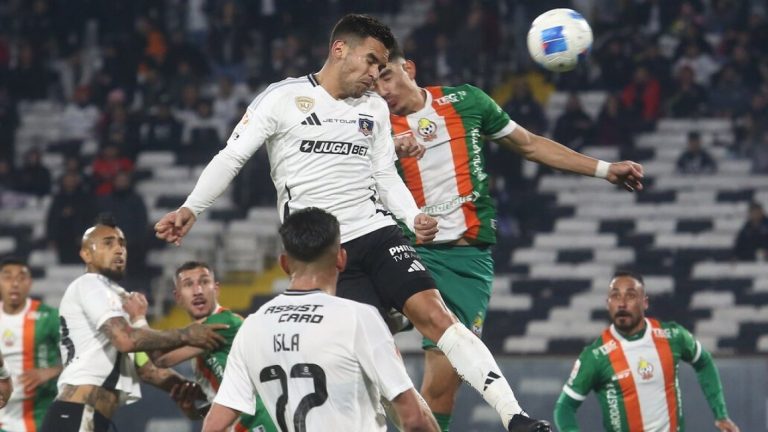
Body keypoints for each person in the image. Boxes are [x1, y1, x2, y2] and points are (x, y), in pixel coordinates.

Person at [154, 14, 552, 432]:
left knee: (439, 316)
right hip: (324, 251)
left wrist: (413, 215)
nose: (375, 75)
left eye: (382, 66)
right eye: (371, 61)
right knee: (379, 363)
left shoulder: (374, 108)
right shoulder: (282, 98)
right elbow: (232, 157)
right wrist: (191, 208)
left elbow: (383, 175)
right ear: (339, 49)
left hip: (377, 232)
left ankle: (515, 416)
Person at [373, 44, 644, 432]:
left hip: (465, 262)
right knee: (359, 329)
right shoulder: (372, 124)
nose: (382, 90)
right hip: (408, 252)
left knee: (440, 392)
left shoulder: (466, 101)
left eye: (387, 76)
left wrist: (605, 169)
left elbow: (529, 144)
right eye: (375, 82)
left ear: (409, 69)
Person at [202, 207, 438, 432]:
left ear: (284, 264)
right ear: (341, 258)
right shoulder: (358, 318)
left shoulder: (252, 327)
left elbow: (214, 426)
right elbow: (414, 420)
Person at [40, 214, 227, 432]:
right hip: (77, 413)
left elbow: (148, 370)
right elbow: (126, 339)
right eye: (108, 243)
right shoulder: (90, 284)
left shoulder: (119, 299)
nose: (119, 250)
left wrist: (197, 393)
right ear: (86, 254)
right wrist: (186, 334)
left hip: (91, 416)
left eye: (122, 244)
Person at [553, 270, 740, 432]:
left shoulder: (672, 336)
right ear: (607, 303)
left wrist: (721, 414)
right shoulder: (595, 356)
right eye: (615, 296)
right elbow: (564, 408)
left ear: (645, 302)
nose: (622, 303)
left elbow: (704, 362)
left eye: (630, 295)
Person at [147, 261, 276, 431]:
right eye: (188, 284)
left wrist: (138, 319)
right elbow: (227, 401)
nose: (198, 291)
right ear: (178, 297)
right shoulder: (200, 341)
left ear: (216, 289)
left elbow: (161, 358)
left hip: (258, 423)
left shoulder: (224, 323)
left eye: (204, 281)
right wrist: (193, 412)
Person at [0, 257, 61, 431]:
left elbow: (80, 355)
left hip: (39, 415)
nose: (15, 284)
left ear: (30, 283)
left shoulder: (49, 316)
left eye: (21, 278)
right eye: (8, 277)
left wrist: (51, 371)